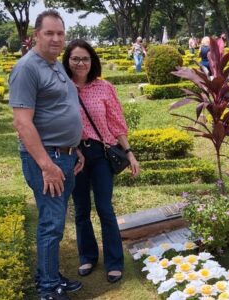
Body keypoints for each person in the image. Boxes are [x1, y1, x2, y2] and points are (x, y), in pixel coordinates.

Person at [9, 10, 85, 300]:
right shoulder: (27, 68)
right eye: (49, 33)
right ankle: (48, 288)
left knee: (55, 219)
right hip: (47, 159)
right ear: (35, 36)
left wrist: (74, 147)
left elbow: (60, 110)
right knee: (52, 223)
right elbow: (22, 123)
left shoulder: (54, 65)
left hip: (64, 155)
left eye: (60, 33)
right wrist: (46, 165)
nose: (56, 38)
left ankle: (51, 275)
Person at [62, 39, 140, 284]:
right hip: (74, 154)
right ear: (67, 61)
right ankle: (87, 255)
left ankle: (114, 261)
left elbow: (116, 123)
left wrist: (129, 152)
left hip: (101, 154)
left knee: (105, 207)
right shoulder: (62, 87)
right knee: (82, 208)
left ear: (92, 61)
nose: (80, 63)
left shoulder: (104, 87)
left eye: (85, 58)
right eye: (75, 58)